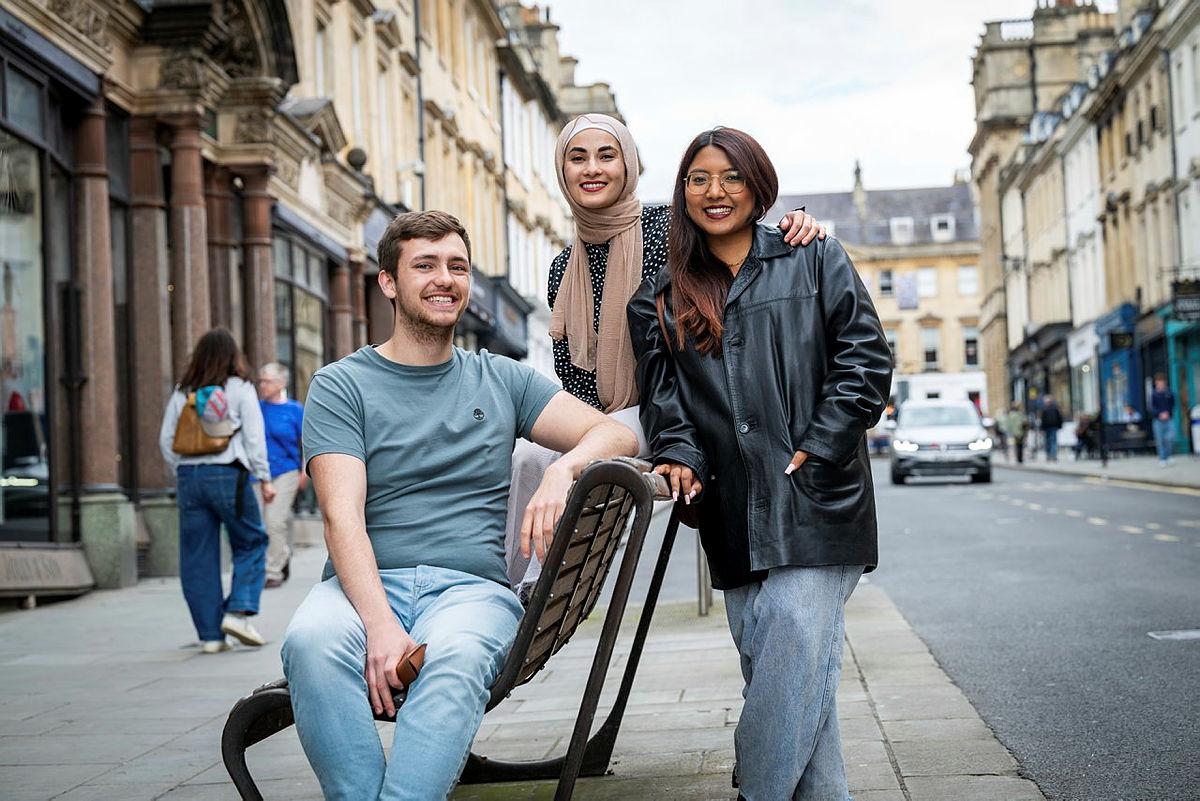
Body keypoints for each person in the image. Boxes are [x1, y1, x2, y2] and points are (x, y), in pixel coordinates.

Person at [280, 211, 638, 801]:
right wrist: (380, 626)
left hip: (470, 591)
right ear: (389, 283)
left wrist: (566, 469)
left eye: (457, 267)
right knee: (310, 644)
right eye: (424, 265)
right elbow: (341, 516)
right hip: (362, 587)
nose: (444, 278)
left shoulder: (499, 378)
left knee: (457, 653)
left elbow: (615, 435)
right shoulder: (341, 385)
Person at [628, 127, 891, 801]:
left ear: (758, 185)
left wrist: (823, 441)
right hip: (732, 511)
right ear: (681, 192)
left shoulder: (814, 258)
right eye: (698, 178)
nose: (715, 191)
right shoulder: (657, 300)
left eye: (731, 176)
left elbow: (866, 360)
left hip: (819, 501)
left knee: (795, 632)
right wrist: (682, 455)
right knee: (794, 681)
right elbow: (666, 411)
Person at [505, 113, 825, 586]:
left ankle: (534, 588)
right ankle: (504, 587)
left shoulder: (670, 231)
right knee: (524, 455)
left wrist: (793, 224)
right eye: (578, 158)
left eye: (606, 155)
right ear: (562, 171)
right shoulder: (561, 269)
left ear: (629, 165)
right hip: (605, 419)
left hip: (673, 411)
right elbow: (574, 384)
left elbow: (738, 235)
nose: (592, 168)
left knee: (557, 459)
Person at [157, 328, 273, 654]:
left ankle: (210, 635)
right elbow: (253, 437)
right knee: (251, 541)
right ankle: (237, 611)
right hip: (229, 475)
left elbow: (166, 439)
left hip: (189, 477)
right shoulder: (239, 389)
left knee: (197, 557)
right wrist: (264, 478)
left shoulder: (183, 391)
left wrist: (182, 470)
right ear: (232, 355)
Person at [256, 362, 305, 587]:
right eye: (261, 380)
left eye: (267, 380)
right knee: (261, 522)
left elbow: (308, 442)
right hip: (257, 473)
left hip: (286, 471)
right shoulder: (256, 408)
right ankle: (282, 553)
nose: (262, 385)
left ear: (281, 383)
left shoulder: (295, 410)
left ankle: (273, 572)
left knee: (274, 521)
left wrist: (305, 471)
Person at [1150, 373, 1175, 466]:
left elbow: (1172, 404)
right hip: (1158, 420)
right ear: (1156, 383)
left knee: (1170, 438)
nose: (1160, 384)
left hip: (1168, 419)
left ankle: (1168, 455)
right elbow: (1152, 407)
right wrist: (1159, 414)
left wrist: (1168, 412)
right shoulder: (1154, 394)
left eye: (1162, 382)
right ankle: (1162, 458)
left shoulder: (1169, 393)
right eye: (1158, 383)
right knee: (1160, 440)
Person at [1040, 395, 1064, 462]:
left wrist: (1042, 428)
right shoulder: (1054, 409)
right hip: (1051, 427)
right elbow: (1059, 418)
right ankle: (1052, 455)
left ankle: (1051, 455)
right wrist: (1060, 426)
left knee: (1051, 441)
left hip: (1050, 427)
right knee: (1052, 441)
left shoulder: (1046, 409)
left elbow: (1043, 420)